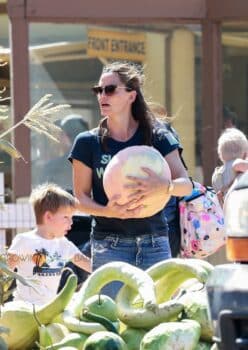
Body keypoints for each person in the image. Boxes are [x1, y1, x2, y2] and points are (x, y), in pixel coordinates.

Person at [69, 61, 192, 298]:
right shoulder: (87, 142)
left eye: (110, 89)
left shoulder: (158, 137)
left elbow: (185, 185)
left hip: (155, 242)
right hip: (108, 245)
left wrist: (164, 187)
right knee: (111, 320)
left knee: (157, 318)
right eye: (99, 90)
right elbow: (80, 199)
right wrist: (109, 212)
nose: (102, 95)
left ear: (131, 95)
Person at [7, 183, 91, 305]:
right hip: (24, 309)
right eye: (66, 217)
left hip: (49, 308)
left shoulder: (63, 244)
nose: (71, 222)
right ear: (48, 217)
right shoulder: (24, 241)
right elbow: (5, 272)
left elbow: (88, 264)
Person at [40, 114, 89, 191]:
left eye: (60, 134)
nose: (58, 138)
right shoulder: (98, 163)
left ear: (65, 136)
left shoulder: (51, 167)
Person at [212, 127, 248, 207]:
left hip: (226, 214)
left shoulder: (217, 174)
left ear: (220, 154)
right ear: (245, 154)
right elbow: (238, 165)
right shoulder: (236, 164)